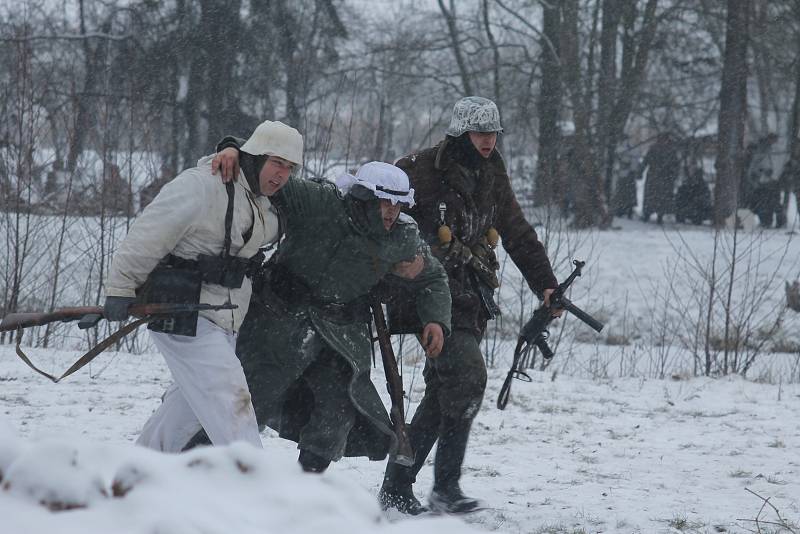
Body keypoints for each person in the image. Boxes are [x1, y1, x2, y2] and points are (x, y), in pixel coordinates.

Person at [187, 153, 453, 474]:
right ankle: (189, 469)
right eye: (385, 202)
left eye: (398, 205)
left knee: (339, 408)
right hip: (278, 321)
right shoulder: (320, 203)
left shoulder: (401, 237)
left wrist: (436, 320)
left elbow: (433, 278)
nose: (392, 212)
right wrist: (235, 152)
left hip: (341, 336)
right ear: (363, 196)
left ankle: (306, 487)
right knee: (245, 403)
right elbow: (268, 178)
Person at [378, 96, 561, 515]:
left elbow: (515, 230)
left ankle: (399, 487)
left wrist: (546, 285)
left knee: (445, 390)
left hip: (470, 293)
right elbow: (378, 215)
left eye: (493, 132)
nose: (487, 140)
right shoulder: (419, 170)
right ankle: (442, 488)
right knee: (466, 379)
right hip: (426, 294)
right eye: (480, 132)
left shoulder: (493, 173)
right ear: (461, 133)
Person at [103, 120, 303, 452]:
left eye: (289, 167)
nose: (282, 174)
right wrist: (121, 288)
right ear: (255, 158)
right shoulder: (202, 185)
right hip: (181, 310)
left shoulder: (265, 201)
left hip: (225, 318)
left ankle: (138, 472)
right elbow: (148, 234)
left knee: (185, 411)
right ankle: (254, 485)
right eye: (276, 163)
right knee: (231, 400)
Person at [639, 132, 679, 224]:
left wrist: (673, 175)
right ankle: (647, 215)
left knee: (662, 198)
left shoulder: (671, 150)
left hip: (665, 178)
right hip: (654, 177)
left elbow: (675, 164)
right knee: (651, 197)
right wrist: (640, 171)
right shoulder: (654, 148)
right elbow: (646, 160)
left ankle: (659, 216)